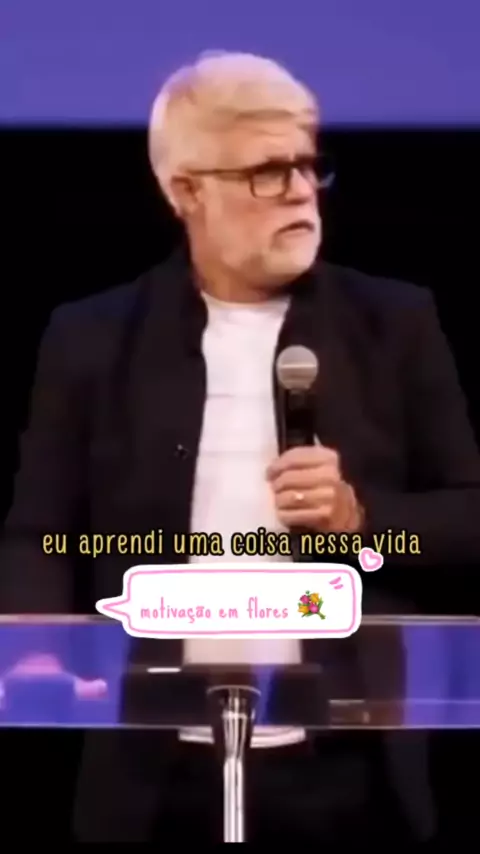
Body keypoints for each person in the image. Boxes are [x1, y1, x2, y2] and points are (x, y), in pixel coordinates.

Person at [1, 49, 480, 843]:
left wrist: (362, 519)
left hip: (347, 768)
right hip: (153, 773)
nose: (298, 189)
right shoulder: (92, 337)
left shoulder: (394, 325)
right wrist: (37, 649)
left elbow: (470, 517)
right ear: (184, 191)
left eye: (308, 165)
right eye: (265, 171)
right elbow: (40, 530)